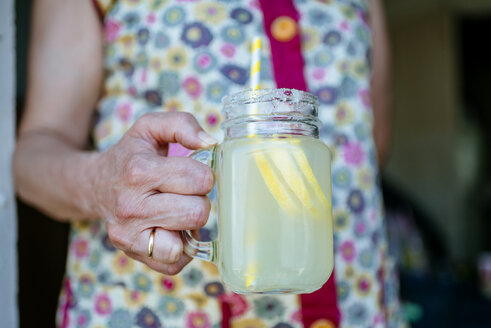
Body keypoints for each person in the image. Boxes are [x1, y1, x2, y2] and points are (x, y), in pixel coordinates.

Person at [13, 0, 405, 327]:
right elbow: (31, 157)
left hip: (357, 305)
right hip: (157, 311)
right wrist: (100, 184)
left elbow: (373, 146)